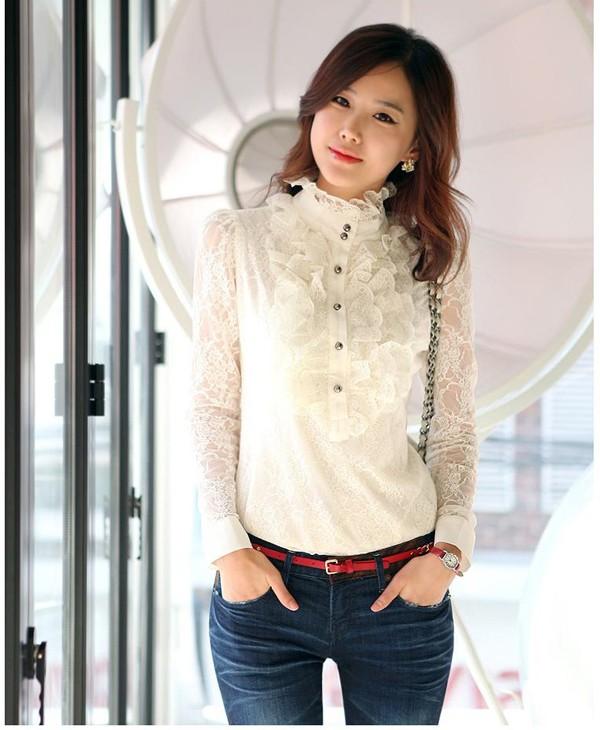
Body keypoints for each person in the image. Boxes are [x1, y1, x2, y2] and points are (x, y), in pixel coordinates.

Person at [190, 22, 479, 726]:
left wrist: (448, 552)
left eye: (383, 116)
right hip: (264, 590)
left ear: (414, 147)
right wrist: (226, 546)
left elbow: (453, 421)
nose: (350, 129)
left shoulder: (433, 258)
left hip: (399, 590)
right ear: (314, 106)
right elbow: (214, 407)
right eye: (340, 101)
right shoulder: (236, 241)